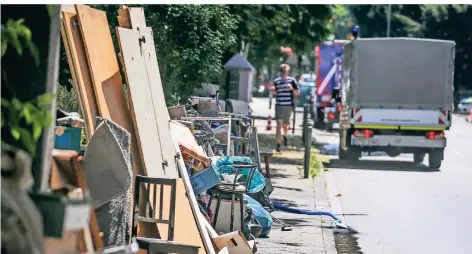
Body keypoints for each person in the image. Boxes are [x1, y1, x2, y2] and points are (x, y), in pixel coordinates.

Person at [271, 63, 300, 152]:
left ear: (288, 71)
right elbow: (273, 93)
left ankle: (285, 136)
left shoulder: (292, 81)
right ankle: (278, 144)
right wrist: (272, 90)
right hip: (279, 105)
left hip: (288, 106)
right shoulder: (276, 81)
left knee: (285, 125)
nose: (284, 73)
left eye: (285, 71)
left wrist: (292, 88)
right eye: (282, 71)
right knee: (278, 124)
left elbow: (297, 93)